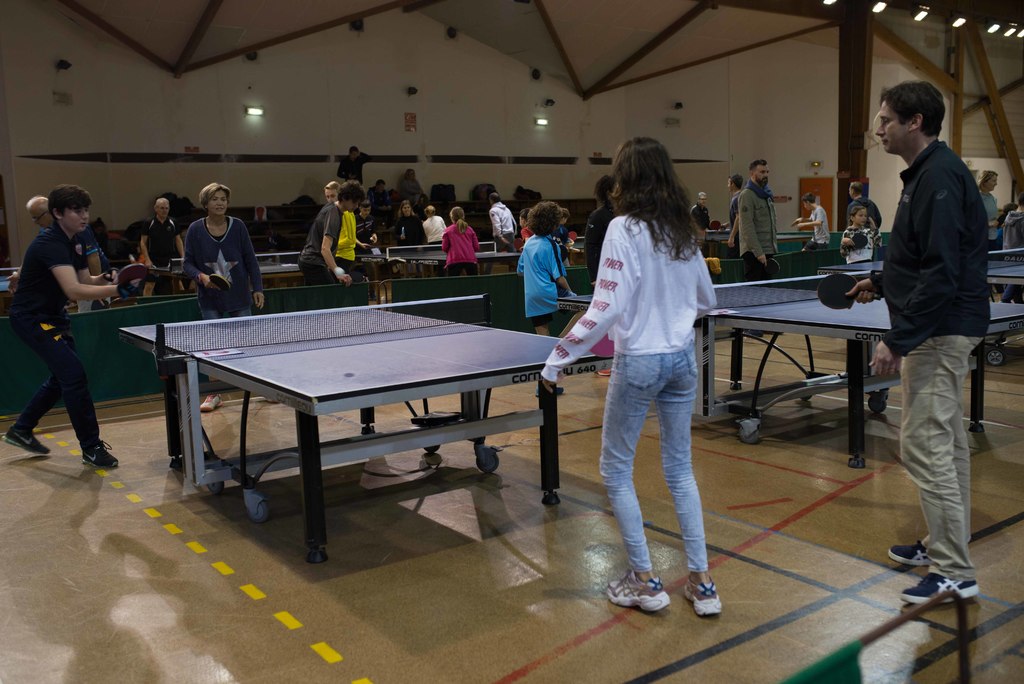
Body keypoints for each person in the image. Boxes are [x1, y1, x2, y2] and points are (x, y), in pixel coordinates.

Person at [540, 137, 720, 617]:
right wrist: (671, 311)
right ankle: (702, 583)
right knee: (680, 470)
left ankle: (643, 580)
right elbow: (707, 300)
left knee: (616, 470)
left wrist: (557, 358)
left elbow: (606, 307)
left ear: (625, 179)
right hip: (682, 358)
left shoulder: (623, 228)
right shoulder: (682, 231)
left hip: (640, 360)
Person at [847, 81, 989, 604]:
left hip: (938, 331)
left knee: (924, 447)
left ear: (915, 122)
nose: (879, 129)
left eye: (886, 119)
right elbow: (919, 257)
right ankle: (943, 544)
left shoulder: (940, 179)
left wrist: (898, 339)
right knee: (947, 446)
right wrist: (881, 281)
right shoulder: (926, 175)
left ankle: (954, 571)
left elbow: (942, 272)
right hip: (939, 327)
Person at [3, 185, 126, 468]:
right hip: (31, 318)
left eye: (86, 210)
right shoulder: (49, 244)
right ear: (57, 213)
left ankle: (21, 429)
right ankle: (91, 447)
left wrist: (107, 278)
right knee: (73, 374)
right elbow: (73, 291)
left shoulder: (77, 239)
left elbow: (85, 280)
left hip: (53, 316)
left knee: (62, 378)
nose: (84, 216)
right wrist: (116, 290)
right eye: (76, 210)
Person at [182, 182, 266, 413]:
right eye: (215, 199)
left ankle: (261, 387)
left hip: (239, 295)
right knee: (214, 347)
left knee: (247, 344)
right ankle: (214, 394)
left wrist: (257, 288)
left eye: (223, 199)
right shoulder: (195, 229)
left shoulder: (238, 226)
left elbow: (250, 259)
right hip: (209, 297)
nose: (220, 203)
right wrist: (201, 277)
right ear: (206, 203)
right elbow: (187, 264)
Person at [517, 201, 575, 337]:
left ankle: (551, 346)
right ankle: (560, 341)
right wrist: (572, 293)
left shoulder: (528, 243)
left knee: (543, 338)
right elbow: (559, 278)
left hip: (532, 297)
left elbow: (520, 271)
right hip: (550, 292)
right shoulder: (551, 245)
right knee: (585, 308)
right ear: (554, 223)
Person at [298, 180, 360, 286]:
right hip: (313, 262)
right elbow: (325, 248)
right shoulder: (333, 214)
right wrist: (338, 272)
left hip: (309, 261)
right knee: (331, 294)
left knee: (315, 295)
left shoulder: (333, 209)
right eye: (354, 202)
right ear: (344, 198)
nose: (357, 206)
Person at [737, 159, 778, 281]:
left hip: (768, 249)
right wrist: (758, 252)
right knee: (754, 289)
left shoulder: (766, 194)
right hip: (754, 253)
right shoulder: (747, 195)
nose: (765, 175)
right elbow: (747, 227)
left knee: (767, 289)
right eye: (762, 172)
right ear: (752, 173)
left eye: (767, 172)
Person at [139, 197, 184, 296]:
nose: (164, 210)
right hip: (154, 258)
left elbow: (178, 240)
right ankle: (146, 305)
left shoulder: (173, 222)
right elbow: (143, 242)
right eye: (162, 208)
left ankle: (183, 303)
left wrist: (183, 256)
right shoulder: (149, 222)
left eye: (166, 208)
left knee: (178, 284)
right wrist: (147, 259)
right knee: (149, 285)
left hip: (171, 258)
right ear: (156, 208)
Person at [585, 175, 615, 285]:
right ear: (609, 193)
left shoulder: (623, 214)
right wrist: (594, 277)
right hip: (603, 271)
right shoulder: (598, 216)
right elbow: (590, 245)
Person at [999, 193, 1024, 304]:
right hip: (1020, 255)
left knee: (1015, 279)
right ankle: (1004, 300)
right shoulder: (1023, 219)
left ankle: (1018, 304)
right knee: (1016, 279)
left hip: (1007, 252)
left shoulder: (1009, 216)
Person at [442, 206, 479, 276]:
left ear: (452, 217)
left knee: (453, 283)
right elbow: (476, 247)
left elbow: (444, 247)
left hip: (454, 260)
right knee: (474, 282)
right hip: (470, 260)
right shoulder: (470, 229)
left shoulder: (448, 230)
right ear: (463, 216)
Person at [978, 170, 1000, 250]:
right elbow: (970, 220)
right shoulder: (976, 198)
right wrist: (988, 224)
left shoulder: (992, 198)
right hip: (980, 238)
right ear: (984, 182)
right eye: (994, 181)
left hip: (993, 237)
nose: (996, 184)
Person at [725, 174, 743, 259]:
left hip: (737, 237)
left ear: (733, 184)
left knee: (731, 261)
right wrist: (728, 224)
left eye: (729, 183)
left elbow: (739, 217)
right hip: (739, 236)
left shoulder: (737, 198)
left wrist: (732, 237)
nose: (727, 185)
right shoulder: (740, 196)